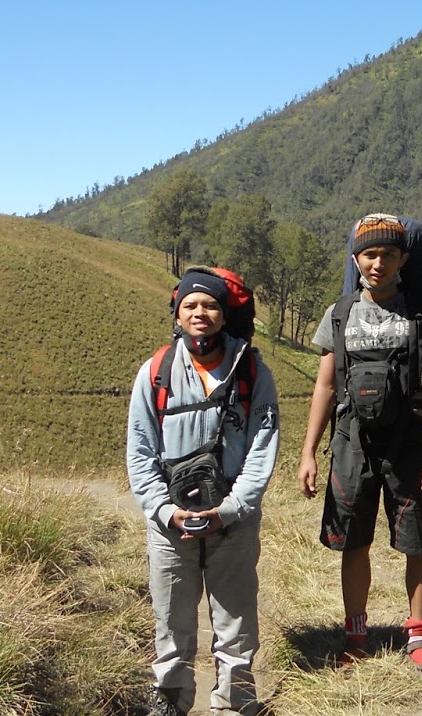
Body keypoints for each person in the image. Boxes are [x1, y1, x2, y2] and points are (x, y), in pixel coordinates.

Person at [298, 214, 422, 674]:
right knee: (353, 542)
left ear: (404, 259)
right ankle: (356, 635)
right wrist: (308, 451)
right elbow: (325, 387)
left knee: (418, 543)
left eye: (388, 254)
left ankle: (419, 637)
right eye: (369, 254)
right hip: (351, 445)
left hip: (409, 444)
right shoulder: (339, 314)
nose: (378, 263)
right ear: (356, 259)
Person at [126, 269, 280, 716]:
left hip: (233, 522)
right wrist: (163, 510)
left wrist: (230, 510)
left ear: (223, 313)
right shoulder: (155, 373)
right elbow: (139, 451)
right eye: (190, 305)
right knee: (171, 625)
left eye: (210, 305)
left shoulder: (251, 372)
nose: (200, 313)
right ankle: (171, 703)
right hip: (170, 524)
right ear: (177, 313)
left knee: (235, 624)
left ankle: (235, 705)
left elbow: (261, 449)